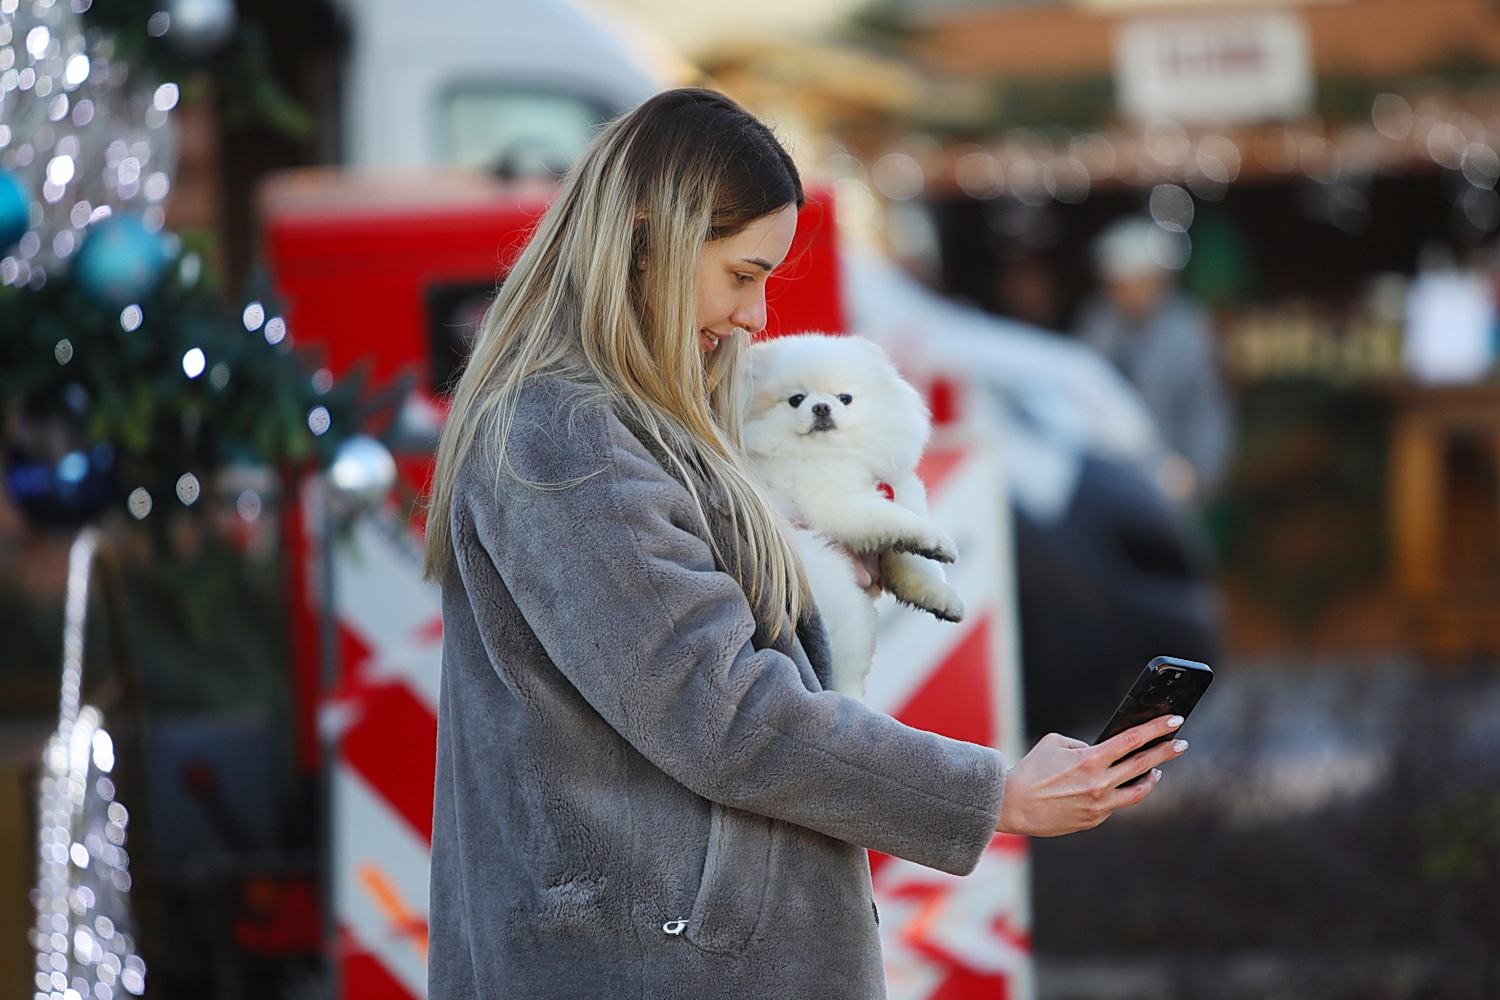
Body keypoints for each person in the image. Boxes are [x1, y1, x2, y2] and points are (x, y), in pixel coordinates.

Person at [421, 88, 1187, 999]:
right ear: (645, 240)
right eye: (743, 274)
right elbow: (722, 713)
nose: (755, 315)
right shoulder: (569, 433)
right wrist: (993, 795)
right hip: (656, 966)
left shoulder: (609, 419)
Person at [1076, 215, 1234, 501]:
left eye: (1127, 283)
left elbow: (1208, 410)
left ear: (1154, 281)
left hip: (1176, 475)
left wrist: (1200, 473)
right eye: (1112, 284)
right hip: (1111, 473)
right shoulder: (1097, 324)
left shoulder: (1188, 330)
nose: (1119, 293)